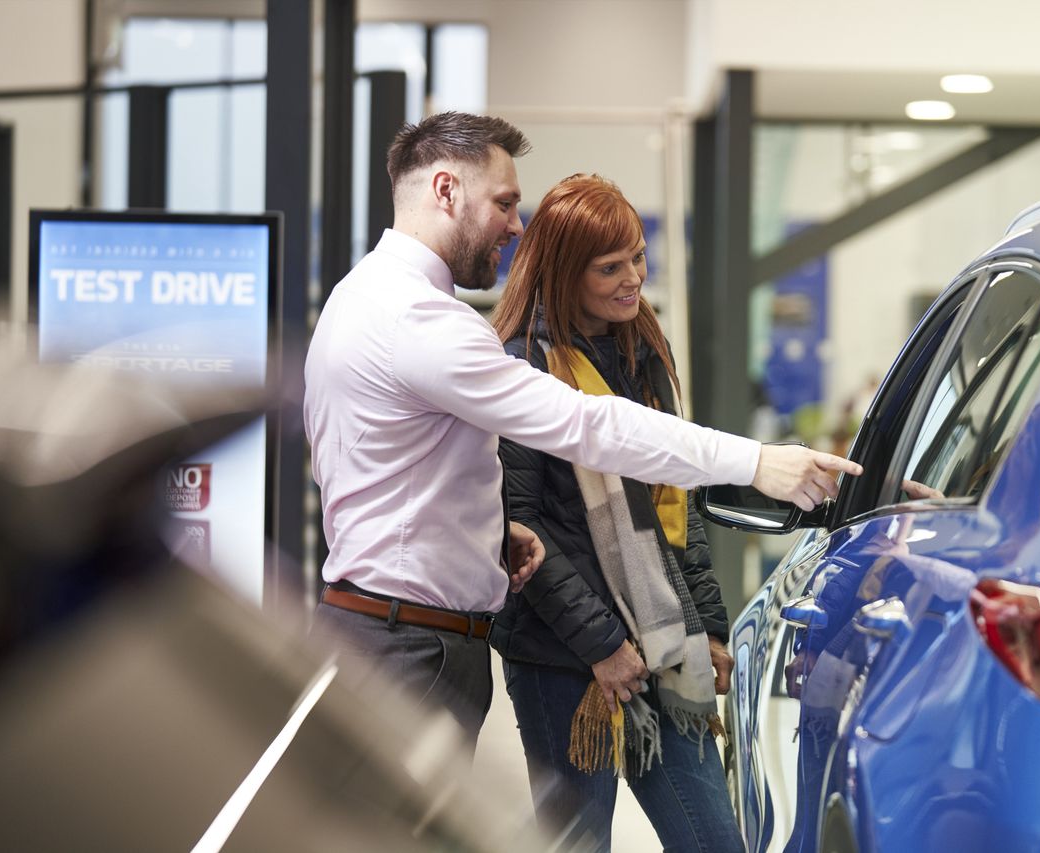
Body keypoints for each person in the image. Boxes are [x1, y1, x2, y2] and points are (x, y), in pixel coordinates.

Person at [303, 112, 861, 747]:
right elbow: (585, 422)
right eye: (505, 203)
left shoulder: (360, 296)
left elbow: (376, 464)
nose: (516, 226)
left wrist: (486, 532)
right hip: (411, 649)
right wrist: (756, 461)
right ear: (445, 190)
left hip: (387, 630)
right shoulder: (422, 321)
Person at [488, 173, 749, 851]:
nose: (633, 277)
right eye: (610, 266)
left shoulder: (641, 353)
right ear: (565, 271)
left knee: (714, 839)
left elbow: (676, 510)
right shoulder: (521, 367)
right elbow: (518, 528)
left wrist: (708, 624)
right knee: (580, 842)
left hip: (664, 647)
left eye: (637, 256)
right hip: (565, 658)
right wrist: (603, 644)